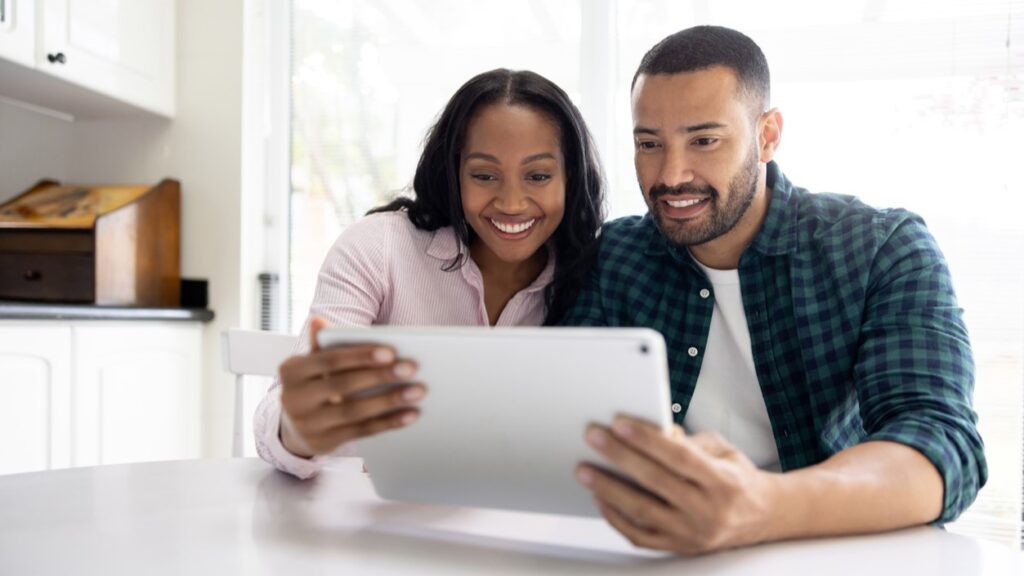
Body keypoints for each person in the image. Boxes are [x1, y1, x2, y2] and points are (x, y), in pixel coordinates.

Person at [566, 26, 987, 555]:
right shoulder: (611, 257)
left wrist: (760, 505)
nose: (671, 175)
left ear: (767, 135)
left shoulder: (882, 247)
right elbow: (562, 430)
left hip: (833, 553)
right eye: (649, 143)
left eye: (704, 140)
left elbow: (942, 444)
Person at [254, 68, 605, 478]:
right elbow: (279, 414)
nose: (511, 202)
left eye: (538, 176)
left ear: (571, 178)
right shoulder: (378, 247)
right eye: (484, 175)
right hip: (359, 518)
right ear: (453, 174)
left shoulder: (588, 273)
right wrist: (296, 428)